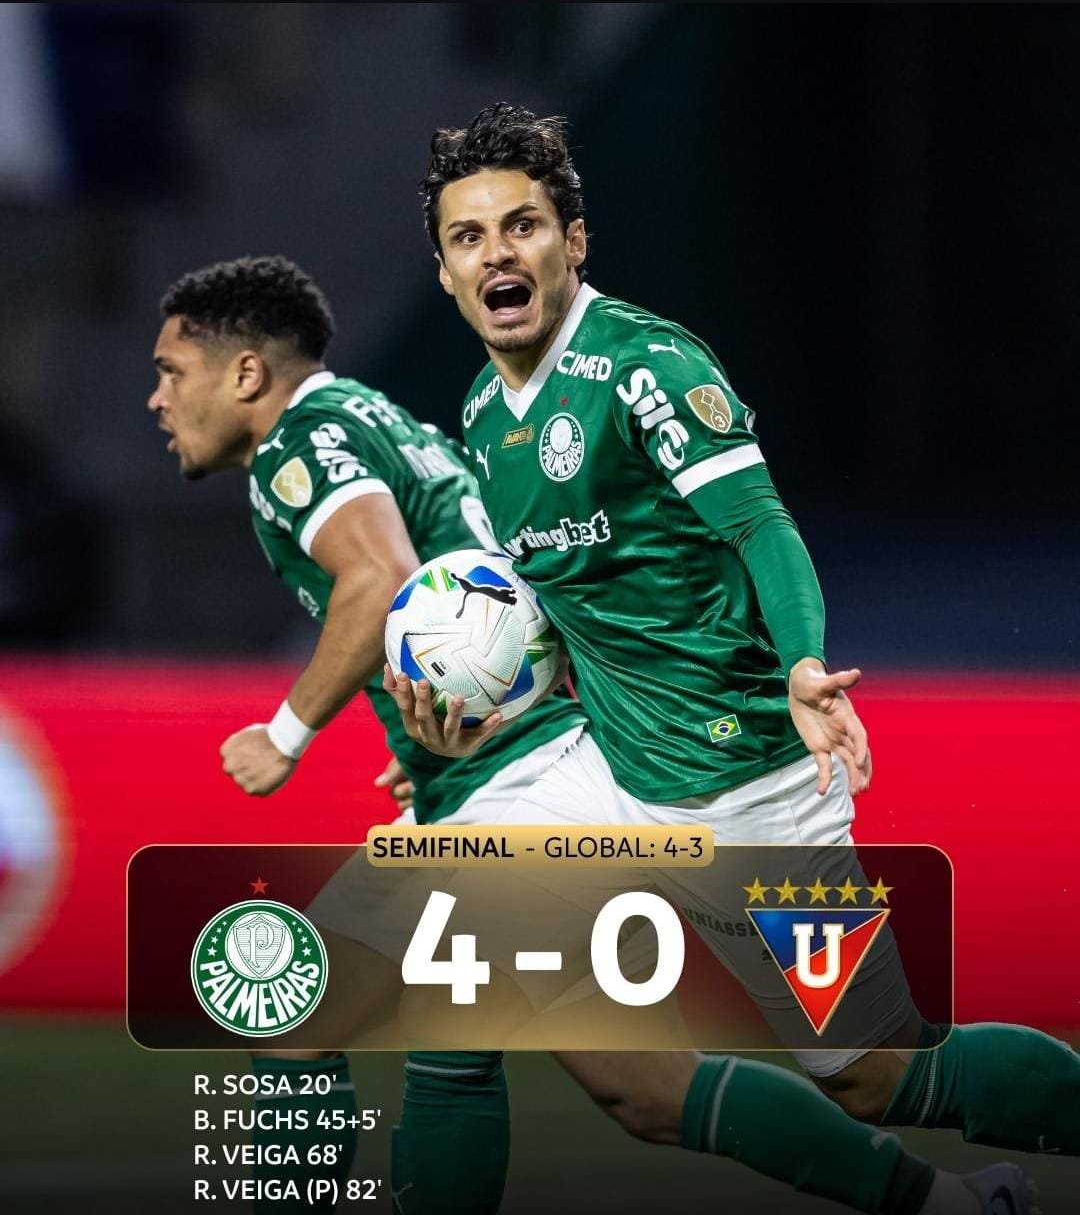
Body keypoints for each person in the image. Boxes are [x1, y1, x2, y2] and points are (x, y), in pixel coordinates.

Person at [148, 255, 1030, 1215]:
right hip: (532, 760)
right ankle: (952, 1202)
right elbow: (486, 591)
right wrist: (440, 742)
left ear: (246, 373)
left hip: (514, 786)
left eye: (171, 372)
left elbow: (383, 580)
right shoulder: (375, 416)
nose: (157, 398)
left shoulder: (299, 446)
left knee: (303, 1019)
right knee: (648, 1093)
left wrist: (286, 734)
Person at [402, 99, 1080, 1204]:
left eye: (522, 226)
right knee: (449, 954)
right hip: (605, 777)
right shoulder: (483, 410)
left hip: (746, 789)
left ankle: (959, 1196)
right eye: (468, 237)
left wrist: (805, 664)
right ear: (444, 273)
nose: (497, 254)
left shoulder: (646, 366)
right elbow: (561, 610)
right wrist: (470, 717)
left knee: (877, 1074)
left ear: (574, 241)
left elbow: (760, 524)